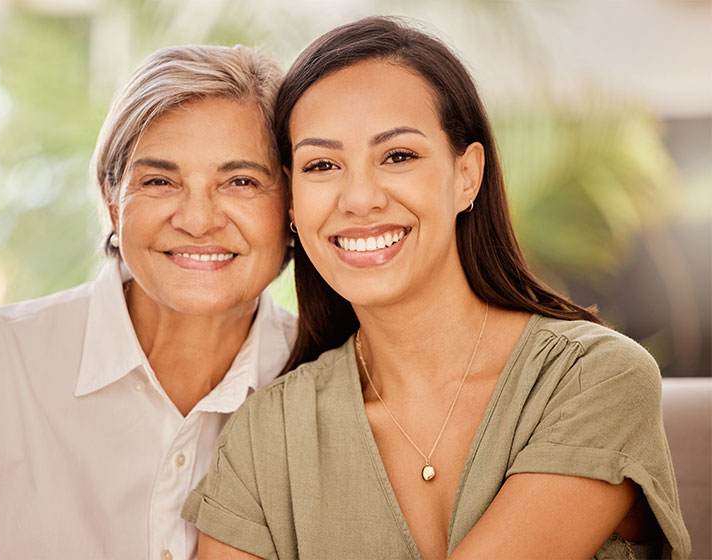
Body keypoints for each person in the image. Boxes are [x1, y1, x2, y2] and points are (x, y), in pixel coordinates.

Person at [183, 17, 690, 560]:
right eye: (322, 164)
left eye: (398, 156)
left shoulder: (592, 379)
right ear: (291, 202)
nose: (359, 199)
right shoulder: (269, 433)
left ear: (467, 175)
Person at [0, 44, 296, 560]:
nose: (198, 219)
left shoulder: (345, 390)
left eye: (241, 181)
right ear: (114, 204)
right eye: (160, 181)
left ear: (293, 206)